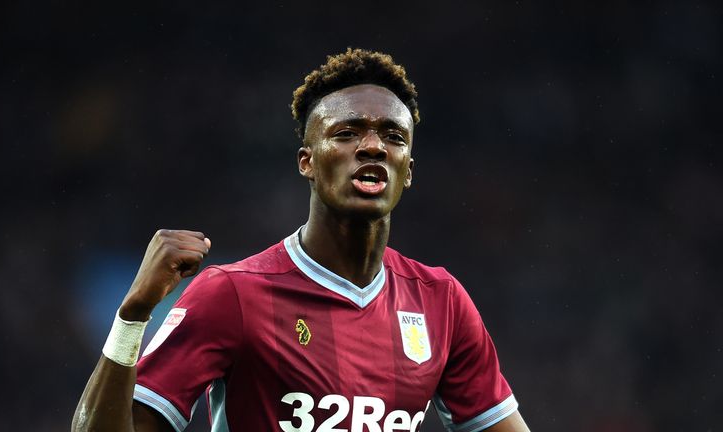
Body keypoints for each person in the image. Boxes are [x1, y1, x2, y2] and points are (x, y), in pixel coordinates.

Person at [72, 48, 530, 432]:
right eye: (347, 133)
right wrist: (132, 317)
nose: (373, 146)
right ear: (306, 162)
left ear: (407, 171)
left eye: (393, 136)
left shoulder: (441, 303)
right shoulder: (232, 295)